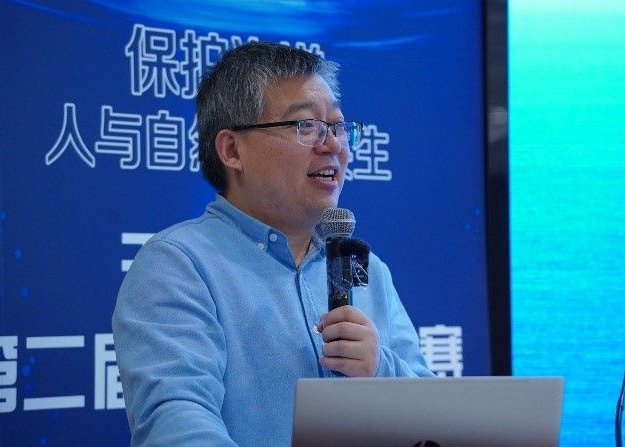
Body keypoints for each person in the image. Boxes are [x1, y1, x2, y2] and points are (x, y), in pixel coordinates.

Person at [112, 41, 434, 446]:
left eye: (337, 126)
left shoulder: (366, 269)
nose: (333, 145)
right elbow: (178, 425)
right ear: (233, 150)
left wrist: (379, 368)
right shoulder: (177, 266)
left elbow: (434, 418)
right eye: (306, 126)